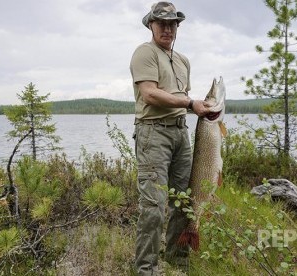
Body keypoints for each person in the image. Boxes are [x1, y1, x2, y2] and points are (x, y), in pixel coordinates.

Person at [130, 2, 210, 275]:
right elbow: (150, 94)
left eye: (172, 23)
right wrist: (190, 104)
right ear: (151, 25)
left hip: (181, 133)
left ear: (177, 27)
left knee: (184, 201)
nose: (167, 28)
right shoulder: (145, 53)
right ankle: (146, 269)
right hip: (153, 133)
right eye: (161, 23)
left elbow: (181, 98)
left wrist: (197, 107)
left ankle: (177, 262)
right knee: (153, 206)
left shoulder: (183, 60)